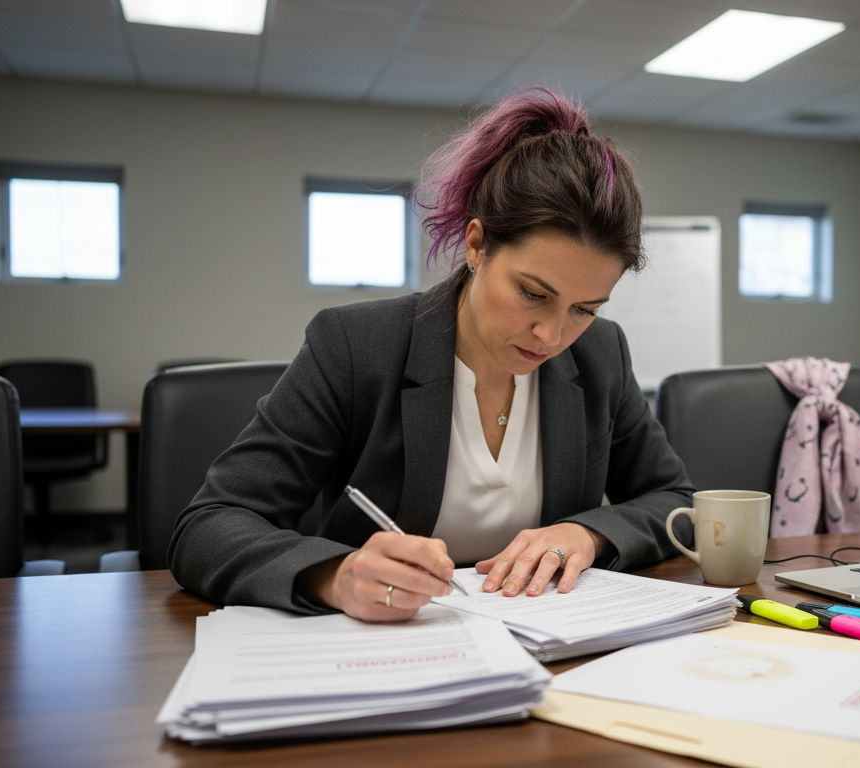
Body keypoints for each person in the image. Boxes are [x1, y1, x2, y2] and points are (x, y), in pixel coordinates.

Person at [169, 86, 693, 622]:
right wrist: (337, 575)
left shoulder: (601, 355)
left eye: (585, 309)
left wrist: (586, 532)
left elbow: (675, 500)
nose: (551, 335)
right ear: (475, 244)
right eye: (534, 293)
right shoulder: (355, 346)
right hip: (388, 651)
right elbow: (209, 525)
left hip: (549, 646)